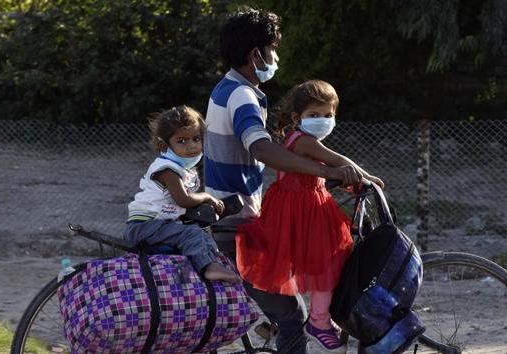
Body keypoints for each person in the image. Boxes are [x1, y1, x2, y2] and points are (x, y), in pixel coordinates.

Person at [204, 7, 362, 354]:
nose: (276, 57)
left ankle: (267, 326)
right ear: (255, 54)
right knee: (294, 314)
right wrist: (330, 172)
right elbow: (262, 149)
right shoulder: (241, 96)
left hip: (237, 216)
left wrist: (335, 169)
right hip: (234, 225)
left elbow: (282, 148)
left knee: (287, 289)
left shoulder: (228, 89)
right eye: (273, 48)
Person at [236, 80, 384, 354]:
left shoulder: (302, 139)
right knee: (329, 264)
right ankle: (318, 322)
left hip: (303, 207)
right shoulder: (303, 141)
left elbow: (331, 168)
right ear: (297, 118)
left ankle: (311, 319)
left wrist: (354, 180)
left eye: (328, 115)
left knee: (321, 265)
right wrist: (368, 177)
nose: (323, 120)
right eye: (314, 115)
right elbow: (337, 160)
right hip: (302, 211)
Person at [124, 105, 240, 283]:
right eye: (182, 141)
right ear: (164, 144)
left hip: (159, 224)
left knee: (202, 233)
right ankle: (209, 268)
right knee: (191, 234)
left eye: (196, 138)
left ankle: (212, 263)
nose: (192, 145)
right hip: (144, 226)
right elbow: (183, 200)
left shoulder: (182, 168)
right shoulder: (167, 169)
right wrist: (207, 197)